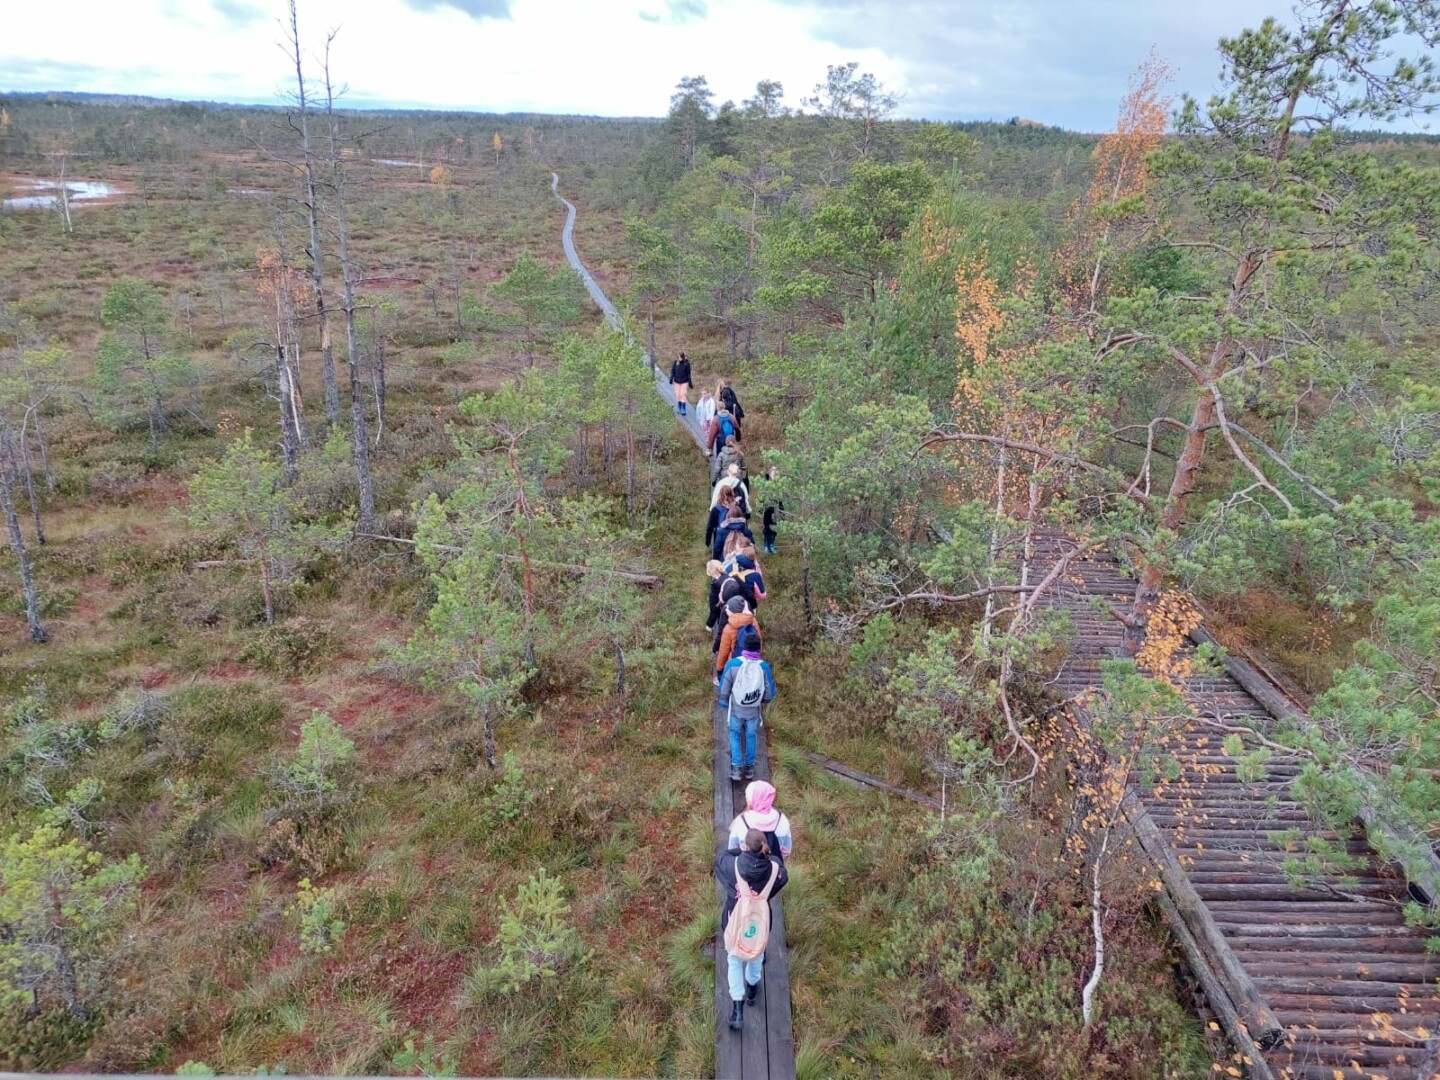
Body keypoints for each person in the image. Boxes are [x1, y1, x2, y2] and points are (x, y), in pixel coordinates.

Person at [715, 829, 787, 1031]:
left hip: (734, 922)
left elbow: (721, 858)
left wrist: (739, 851)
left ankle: (737, 1009)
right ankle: (753, 990)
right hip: (760, 925)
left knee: (734, 960)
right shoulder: (774, 870)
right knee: (756, 954)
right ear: (764, 845)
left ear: (745, 847)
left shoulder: (732, 866)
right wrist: (769, 855)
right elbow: (782, 871)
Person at [717, 625, 775, 782]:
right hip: (753, 711)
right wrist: (762, 700)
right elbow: (769, 693)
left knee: (734, 734)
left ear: (743, 646)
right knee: (751, 736)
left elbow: (724, 687)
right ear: (758, 648)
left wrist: (723, 702)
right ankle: (750, 768)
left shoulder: (733, 664)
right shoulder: (764, 667)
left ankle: (736, 768)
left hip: (736, 710)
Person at [728, 780, 793, 863]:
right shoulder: (782, 820)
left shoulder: (741, 822)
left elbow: (732, 849)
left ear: (750, 800)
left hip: (747, 870)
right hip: (772, 870)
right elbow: (787, 851)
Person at [714, 595, 759, 680]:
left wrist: (719, 669)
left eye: (728, 608)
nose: (726, 610)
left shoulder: (729, 628)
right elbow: (759, 642)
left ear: (732, 611)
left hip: (734, 664)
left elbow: (723, 652)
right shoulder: (753, 622)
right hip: (752, 662)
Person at [706, 485, 737, 551]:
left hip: (719, 536)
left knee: (718, 556)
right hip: (733, 536)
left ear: (720, 495)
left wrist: (708, 539)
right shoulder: (736, 508)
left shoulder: (716, 509)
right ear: (732, 494)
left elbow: (710, 526)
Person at [705, 559, 726, 632]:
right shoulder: (726, 576)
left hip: (717, 602)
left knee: (714, 613)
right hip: (725, 600)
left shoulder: (715, 583)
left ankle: (709, 626)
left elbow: (713, 597)